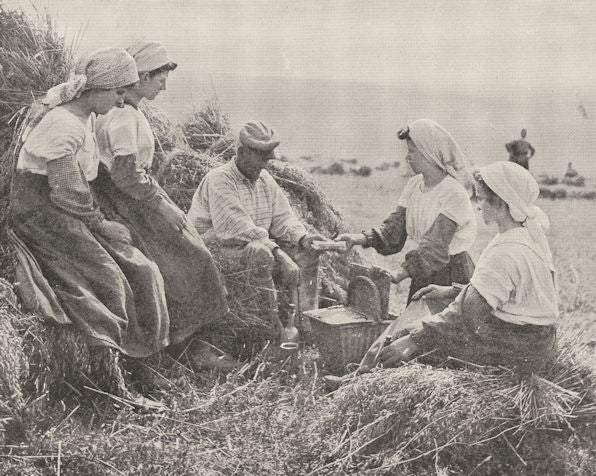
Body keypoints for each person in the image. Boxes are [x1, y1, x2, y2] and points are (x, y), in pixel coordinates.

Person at [8, 47, 171, 360]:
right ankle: (110, 366)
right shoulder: (63, 124)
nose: (122, 101)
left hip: (67, 210)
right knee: (110, 278)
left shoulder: (84, 118)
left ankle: (145, 361)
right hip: (41, 215)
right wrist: (102, 225)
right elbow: (66, 190)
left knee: (144, 268)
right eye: (119, 93)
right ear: (98, 89)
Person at [91, 41, 233, 370]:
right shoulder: (124, 117)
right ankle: (184, 345)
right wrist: (163, 206)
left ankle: (185, 342)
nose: (165, 84)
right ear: (139, 77)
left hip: (127, 197)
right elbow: (126, 175)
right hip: (130, 202)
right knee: (189, 258)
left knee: (187, 254)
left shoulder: (122, 111)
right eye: (159, 77)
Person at [376, 161, 559, 371]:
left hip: (516, 347)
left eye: (481, 199)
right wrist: (451, 291)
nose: (479, 206)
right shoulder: (527, 236)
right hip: (534, 342)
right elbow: (503, 295)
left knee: (409, 334)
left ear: (500, 201)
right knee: (426, 323)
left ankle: (360, 378)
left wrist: (413, 340)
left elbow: (467, 314)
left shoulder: (506, 251)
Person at [186, 121, 326, 333]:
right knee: (260, 254)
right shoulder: (220, 179)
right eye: (261, 158)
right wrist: (279, 254)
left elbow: (283, 217)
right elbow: (236, 229)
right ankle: (272, 332)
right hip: (213, 251)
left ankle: (306, 326)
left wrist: (303, 238)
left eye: (268, 159)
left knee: (307, 253)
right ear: (242, 152)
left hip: (252, 244)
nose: (265, 165)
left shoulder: (264, 179)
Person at [336, 119, 476, 308]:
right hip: (424, 271)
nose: (407, 158)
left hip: (451, 275)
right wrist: (357, 239)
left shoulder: (453, 193)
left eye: (412, 151)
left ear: (429, 153)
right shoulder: (414, 185)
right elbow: (393, 229)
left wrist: (400, 273)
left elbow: (436, 246)